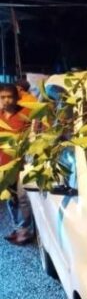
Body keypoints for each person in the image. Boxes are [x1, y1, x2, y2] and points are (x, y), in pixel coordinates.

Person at [0, 84, 34, 244]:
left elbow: (35, 134)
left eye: (10, 96)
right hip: (4, 167)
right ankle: (17, 227)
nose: (6, 100)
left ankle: (24, 231)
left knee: (23, 197)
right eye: (2, 97)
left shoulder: (26, 113)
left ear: (16, 97)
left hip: (22, 164)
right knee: (11, 199)